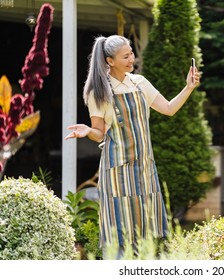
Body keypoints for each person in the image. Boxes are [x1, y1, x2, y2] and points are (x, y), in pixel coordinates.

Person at [65, 35, 200, 258]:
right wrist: (88, 131)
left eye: (131, 54)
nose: (132, 59)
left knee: (145, 225)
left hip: (144, 166)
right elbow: (99, 132)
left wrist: (188, 88)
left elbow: (168, 108)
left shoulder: (140, 83)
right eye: (126, 56)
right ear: (110, 61)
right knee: (119, 226)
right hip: (117, 168)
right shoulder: (98, 92)